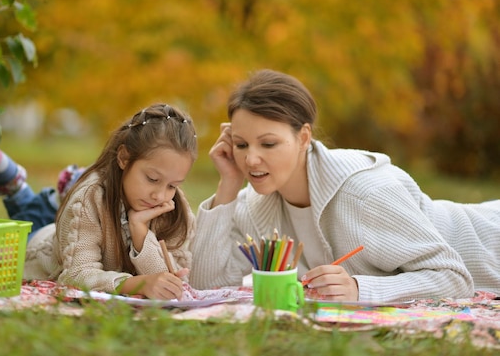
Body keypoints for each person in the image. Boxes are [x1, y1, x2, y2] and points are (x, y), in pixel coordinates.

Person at [189, 69, 500, 303]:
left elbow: (454, 277)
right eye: (241, 144)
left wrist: (358, 288)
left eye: (268, 144)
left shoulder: (366, 193)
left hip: (489, 244)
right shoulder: (255, 203)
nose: (251, 160)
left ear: (303, 138)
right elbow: (205, 285)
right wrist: (228, 184)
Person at [0, 103, 198, 301]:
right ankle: (12, 183)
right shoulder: (89, 197)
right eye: (152, 179)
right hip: (43, 250)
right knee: (19, 231)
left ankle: (24, 187)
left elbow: (168, 286)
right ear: (124, 158)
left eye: (172, 185)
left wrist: (140, 233)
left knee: (55, 210)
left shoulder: (175, 210)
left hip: (73, 227)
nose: (160, 195)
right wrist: (136, 284)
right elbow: (77, 275)